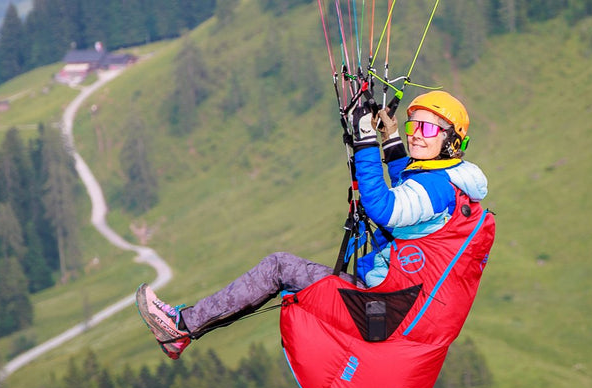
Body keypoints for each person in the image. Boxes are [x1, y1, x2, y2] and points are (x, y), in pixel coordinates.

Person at [136, 90, 488, 359]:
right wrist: (391, 137)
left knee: (278, 267)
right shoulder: (449, 180)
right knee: (285, 274)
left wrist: (366, 141)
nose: (417, 135)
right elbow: (409, 190)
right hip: (388, 306)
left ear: (451, 140)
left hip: (379, 311)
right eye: (414, 126)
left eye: (428, 128)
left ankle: (180, 327)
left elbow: (384, 208)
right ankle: (183, 330)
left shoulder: (438, 187)